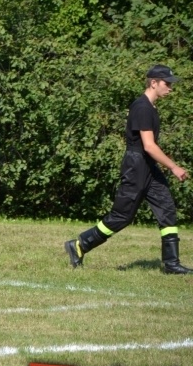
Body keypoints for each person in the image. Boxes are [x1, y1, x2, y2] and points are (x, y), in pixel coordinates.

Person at [64, 64, 191, 274]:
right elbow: (149, 146)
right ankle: (80, 245)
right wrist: (174, 167)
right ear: (153, 83)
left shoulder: (151, 107)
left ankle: (172, 264)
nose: (170, 87)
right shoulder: (141, 107)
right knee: (122, 216)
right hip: (136, 166)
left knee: (166, 208)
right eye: (167, 83)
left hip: (148, 168)